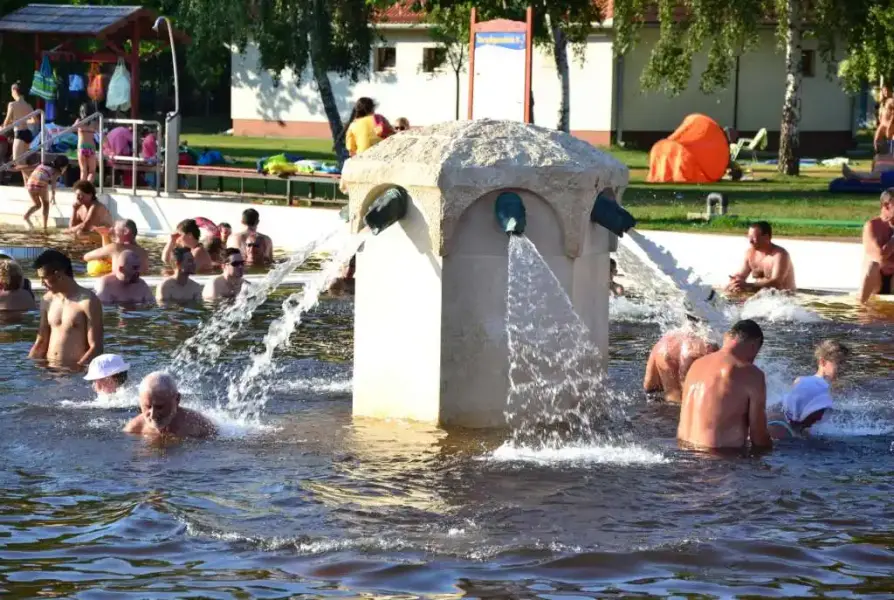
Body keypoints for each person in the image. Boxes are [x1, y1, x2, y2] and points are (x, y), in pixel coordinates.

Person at [677, 319, 772, 452]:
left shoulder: (696, 365)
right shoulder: (751, 373)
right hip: (719, 462)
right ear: (753, 345)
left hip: (683, 453)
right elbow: (759, 437)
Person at [29, 250, 103, 367]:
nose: (42, 283)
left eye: (44, 278)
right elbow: (41, 341)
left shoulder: (87, 301)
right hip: (50, 372)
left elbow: (96, 347)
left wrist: (78, 371)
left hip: (76, 374)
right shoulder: (47, 300)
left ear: (59, 275)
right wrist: (27, 368)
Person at [768, 340, 850, 439]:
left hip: (780, 419)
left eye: (844, 363)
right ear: (822, 362)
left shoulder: (802, 380)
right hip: (778, 419)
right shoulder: (809, 384)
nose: (843, 367)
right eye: (839, 363)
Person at [123, 372, 217, 439]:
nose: (153, 415)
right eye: (148, 407)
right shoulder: (133, 429)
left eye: (160, 407)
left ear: (177, 400)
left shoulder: (197, 425)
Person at [644, 330, 719, 403]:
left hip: (667, 410)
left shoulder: (661, 344)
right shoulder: (706, 346)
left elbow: (649, 387)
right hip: (694, 410)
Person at [726, 221, 796, 293]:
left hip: (784, 297)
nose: (750, 241)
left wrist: (747, 285)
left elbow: (776, 282)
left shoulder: (780, 255)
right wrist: (736, 281)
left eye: (753, 237)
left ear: (766, 237)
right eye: (749, 237)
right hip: (762, 296)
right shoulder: (750, 254)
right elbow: (741, 275)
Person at [858, 188, 894, 303]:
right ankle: (861, 307)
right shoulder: (872, 226)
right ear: (887, 205)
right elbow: (880, 257)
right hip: (876, 280)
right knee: (872, 265)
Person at [83, 218, 149, 276]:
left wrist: (106, 236)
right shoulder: (143, 252)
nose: (111, 229)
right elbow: (110, 253)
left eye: (114, 227)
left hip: (119, 287)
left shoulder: (115, 248)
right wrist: (104, 235)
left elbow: (86, 257)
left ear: (126, 231)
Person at [23, 155, 69, 232]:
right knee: (46, 204)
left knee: (37, 205)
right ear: (62, 167)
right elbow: (53, 184)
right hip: (40, 183)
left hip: (30, 183)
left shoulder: (43, 164)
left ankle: (26, 216)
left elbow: (31, 171)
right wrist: (53, 195)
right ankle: (45, 227)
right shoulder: (56, 171)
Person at [3, 82, 36, 180]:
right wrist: (24, 120)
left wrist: (11, 123)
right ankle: (28, 185)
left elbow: (7, 121)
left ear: (14, 91)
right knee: (23, 162)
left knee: (17, 162)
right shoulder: (28, 105)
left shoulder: (12, 104)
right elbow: (35, 120)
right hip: (27, 134)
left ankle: (34, 180)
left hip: (19, 133)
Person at [74, 103, 98, 182]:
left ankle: (82, 188)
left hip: (82, 147)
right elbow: (99, 131)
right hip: (91, 147)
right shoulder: (94, 123)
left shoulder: (79, 121)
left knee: (83, 170)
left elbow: (73, 128)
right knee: (92, 171)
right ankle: (89, 188)